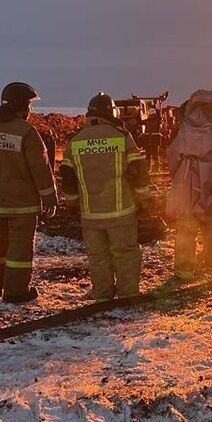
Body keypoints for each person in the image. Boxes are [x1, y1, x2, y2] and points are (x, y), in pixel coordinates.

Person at [0, 82, 58, 303]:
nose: (30, 110)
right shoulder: (26, 132)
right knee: (20, 247)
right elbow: (40, 168)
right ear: (21, 106)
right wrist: (50, 197)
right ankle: (16, 291)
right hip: (22, 204)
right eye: (29, 104)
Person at [59, 93, 150, 300]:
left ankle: (102, 294)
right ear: (112, 112)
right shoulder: (122, 136)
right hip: (121, 212)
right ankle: (128, 295)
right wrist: (144, 200)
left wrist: (72, 203)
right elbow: (138, 171)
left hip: (91, 215)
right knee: (125, 253)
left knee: (98, 256)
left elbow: (67, 176)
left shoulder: (76, 140)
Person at [165, 90, 212, 286]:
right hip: (211, 191)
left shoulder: (185, 132)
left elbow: (173, 158)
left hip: (186, 191)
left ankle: (184, 272)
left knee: (186, 230)